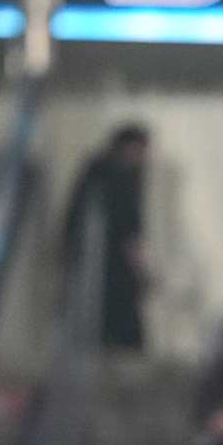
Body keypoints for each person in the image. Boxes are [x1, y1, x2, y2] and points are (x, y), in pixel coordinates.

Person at [63, 124, 150, 349]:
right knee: (127, 338)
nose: (143, 158)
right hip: (115, 273)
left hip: (88, 271)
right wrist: (141, 270)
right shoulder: (122, 178)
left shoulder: (94, 173)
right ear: (129, 147)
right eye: (141, 150)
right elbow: (130, 233)